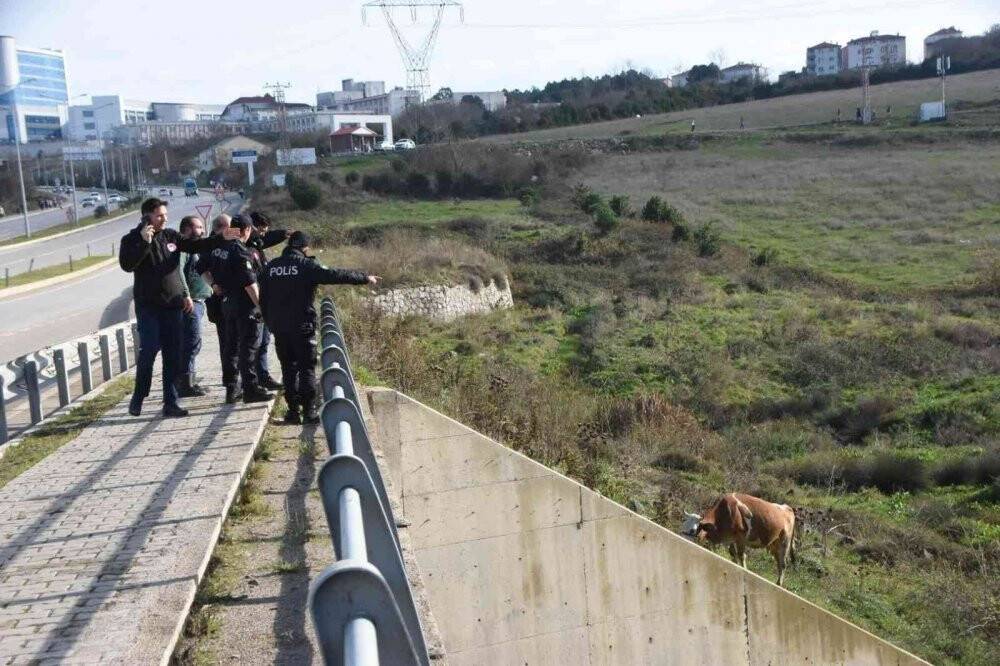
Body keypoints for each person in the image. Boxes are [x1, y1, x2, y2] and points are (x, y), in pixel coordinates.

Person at [119, 197, 238, 417]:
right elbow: (127, 265)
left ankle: (170, 402)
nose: (164, 218)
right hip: (148, 307)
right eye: (159, 215)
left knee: (173, 355)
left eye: (165, 214)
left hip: (173, 305)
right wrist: (144, 242)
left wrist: (220, 238)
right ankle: (138, 396)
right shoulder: (131, 240)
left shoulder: (171, 236)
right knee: (149, 351)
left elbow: (195, 245)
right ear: (147, 217)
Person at [260, 231, 378, 424]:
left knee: (288, 368)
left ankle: (292, 412)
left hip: (280, 327)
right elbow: (335, 274)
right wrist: (364, 278)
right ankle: (309, 411)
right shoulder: (306, 266)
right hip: (302, 325)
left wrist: (270, 322)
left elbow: (263, 300)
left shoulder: (270, 268)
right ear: (304, 248)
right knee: (306, 368)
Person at [214, 214, 273, 404]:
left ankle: (232, 389)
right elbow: (250, 284)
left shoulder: (222, 249)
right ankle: (250, 389)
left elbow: (204, 267)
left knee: (231, 348)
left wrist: (215, 285)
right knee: (247, 348)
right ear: (246, 230)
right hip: (244, 306)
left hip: (228, 304)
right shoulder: (241, 251)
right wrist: (262, 307)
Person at [247, 210, 291, 391]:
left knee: (264, 342)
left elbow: (267, 238)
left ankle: (262, 376)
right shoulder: (246, 248)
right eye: (262, 230)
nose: (264, 234)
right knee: (255, 343)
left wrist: (282, 234)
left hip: (263, 300)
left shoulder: (256, 244)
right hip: (253, 303)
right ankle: (253, 380)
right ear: (252, 228)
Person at [177, 215, 212, 397]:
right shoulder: (183, 248)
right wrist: (186, 295)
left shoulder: (193, 248)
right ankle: (185, 385)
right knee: (191, 343)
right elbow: (178, 272)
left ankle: (188, 381)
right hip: (190, 303)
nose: (202, 231)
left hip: (198, 301)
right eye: (199, 227)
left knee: (193, 343)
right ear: (188, 229)